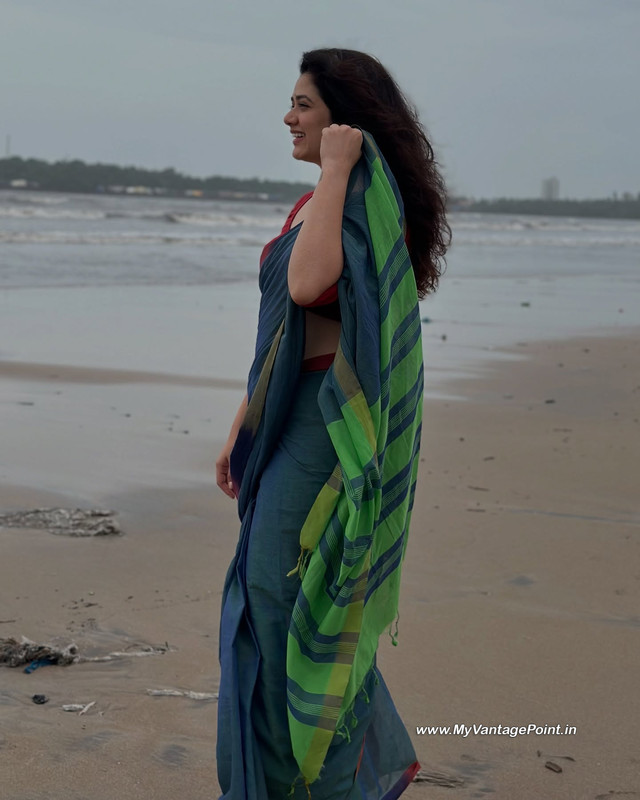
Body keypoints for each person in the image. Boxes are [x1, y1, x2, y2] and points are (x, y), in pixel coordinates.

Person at [215, 48, 450, 800]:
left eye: (304, 104)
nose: (288, 116)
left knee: (291, 613)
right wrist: (242, 424)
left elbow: (312, 284)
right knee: (267, 608)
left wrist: (339, 171)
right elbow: (289, 331)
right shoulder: (322, 200)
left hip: (327, 438)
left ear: (345, 119)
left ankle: (321, 786)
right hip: (288, 423)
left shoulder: (356, 199)